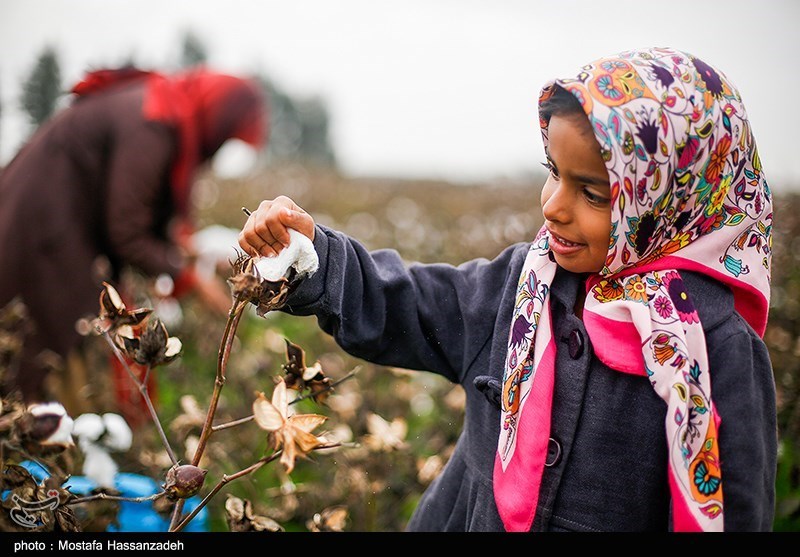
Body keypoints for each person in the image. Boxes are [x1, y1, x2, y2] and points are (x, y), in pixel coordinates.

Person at [238, 46, 776, 531]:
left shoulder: (717, 350)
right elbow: (409, 302)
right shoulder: (523, 286)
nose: (552, 205)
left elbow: (738, 509)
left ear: (672, 201)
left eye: (590, 192)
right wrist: (316, 257)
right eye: (553, 172)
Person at [0, 66, 268, 414]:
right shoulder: (153, 123)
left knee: (33, 355)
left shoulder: (164, 109)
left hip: (47, 218)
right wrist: (190, 279)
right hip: (44, 229)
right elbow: (126, 231)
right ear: (218, 119)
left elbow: (133, 210)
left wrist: (182, 254)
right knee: (32, 360)